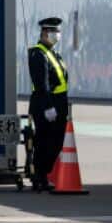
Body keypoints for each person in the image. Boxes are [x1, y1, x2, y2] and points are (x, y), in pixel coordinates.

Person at [28, 16, 70, 192]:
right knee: (44, 142)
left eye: (58, 32)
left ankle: (43, 174)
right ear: (45, 33)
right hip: (46, 104)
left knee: (56, 142)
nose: (57, 35)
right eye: (54, 32)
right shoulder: (38, 54)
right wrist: (48, 107)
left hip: (58, 103)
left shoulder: (53, 53)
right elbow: (41, 84)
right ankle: (39, 176)